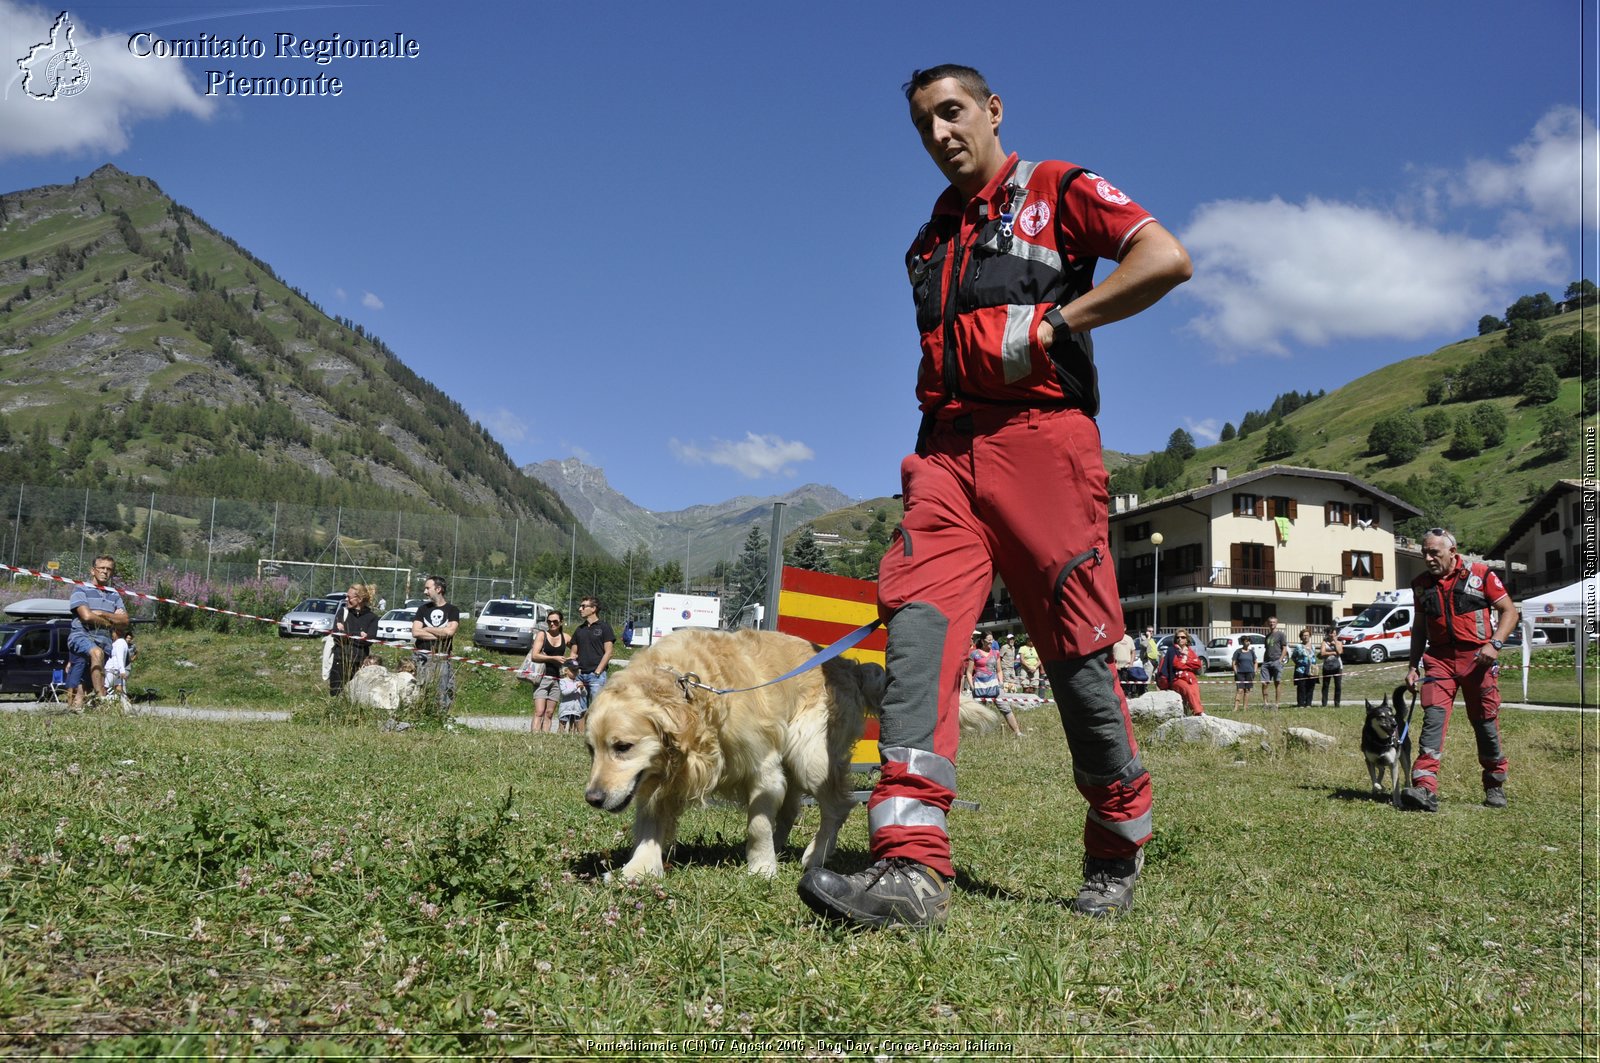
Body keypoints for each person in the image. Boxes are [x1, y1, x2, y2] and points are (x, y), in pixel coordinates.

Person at [797, 64, 1192, 930]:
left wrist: (1060, 322)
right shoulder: (926, 244)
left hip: (1044, 449)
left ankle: (1117, 840)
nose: (940, 134)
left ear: (991, 110)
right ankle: (909, 867)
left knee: (1079, 660)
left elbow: (1166, 259)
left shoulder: (1058, 189)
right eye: (924, 125)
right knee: (918, 636)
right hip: (943, 460)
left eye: (952, 112)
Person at [1398, 528, 1517, 812]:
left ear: (1453, 552)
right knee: (1433, 720)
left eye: (1434, 553)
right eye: (1424, 553)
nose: (1427, 558)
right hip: (1438, 660)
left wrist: (1495, 644)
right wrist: (1413, 666)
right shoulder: (1421, 585)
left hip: (1478, 660)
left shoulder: (1481, 575)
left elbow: (1510, 611)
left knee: (1485, 722)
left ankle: (1494, 783)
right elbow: (1419, 628)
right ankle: (1424, 787)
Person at [68, 555, 129, 706]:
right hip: (82, 635)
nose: (105, 572)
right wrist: (110, 622)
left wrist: (102, 614)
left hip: (105, 640)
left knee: (86, 683)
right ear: (92, 570)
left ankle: (82, 706)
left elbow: (125, 621)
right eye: (101, 568)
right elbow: (86, 616)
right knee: (96, 653)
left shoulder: (114, 595)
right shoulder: (80, 589)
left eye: (109, 569)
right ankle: (102, 698)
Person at [410, 575, 461, 716]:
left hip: (442, 658)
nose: (425, 592)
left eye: (428, 588)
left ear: (438, 589)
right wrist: (440, 634)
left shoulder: (452, 610)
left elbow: (450, 632)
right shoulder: (422, 609)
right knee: (420, 687)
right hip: (421, 656)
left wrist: (427, 629)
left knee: (443, 690)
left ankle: (440, 717)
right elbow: (415, 631)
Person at [520, 609, 571, 733]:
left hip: (558, 679)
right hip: (542, 677)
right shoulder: (542, 635)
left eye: (555, 621)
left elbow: (577, 650)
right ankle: (535, 736)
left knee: (549, 713)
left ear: (561, 622)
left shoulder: (566, 637)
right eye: (549, 622)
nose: (552, 624)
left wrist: (570, 660)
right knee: (539, 711)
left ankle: (545, 737)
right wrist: (553, 658)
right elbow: (535, 655)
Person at [329, 584, 380, 697]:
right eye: (346, 597)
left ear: (360, 599)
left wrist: (346, 632)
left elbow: (369, 640)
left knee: (356, 695)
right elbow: (337, 635)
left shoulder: (372, 618)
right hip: (340, 659)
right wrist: (359, 635)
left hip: (359, 662)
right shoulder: (343, 612)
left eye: (349, 597)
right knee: (336, 693)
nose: (346, 600)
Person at [573, 596, 615, 709]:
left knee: (596, 709)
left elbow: (609, 652)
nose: (579, 609)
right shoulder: (579, 629)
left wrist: (597, 672)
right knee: (580, 709)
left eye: (583, 606)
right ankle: (580, 728)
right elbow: (573, 654)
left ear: (593, 609)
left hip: (597, 676)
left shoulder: (604, 627)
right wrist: (571, 670)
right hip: (580, 675)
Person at [1159, 629, 1205, 717]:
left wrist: (1185, 661)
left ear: (1187, 639)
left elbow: (1198, 664)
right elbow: (1177, 665)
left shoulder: (1190, 651)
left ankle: (1198, 712)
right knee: (1187, 690)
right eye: (1178, 637)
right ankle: (1198, 712)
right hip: (1177, 678)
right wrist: (1187, 660)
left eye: (1183, 637)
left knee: (1195, 691)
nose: (1180, 639)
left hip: (1190, 678)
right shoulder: (1172, 650)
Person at [1259, 616, 1288, 709]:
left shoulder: (1281, 634)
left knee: (1277, 682)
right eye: (1270, 622)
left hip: (1276, 661)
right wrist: (1263, 662)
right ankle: (1265, 703)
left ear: (1276, 623)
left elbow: (1284, 649)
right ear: (1268, 623)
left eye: (1274, 622)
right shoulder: (1267, 636)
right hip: (1266, 662)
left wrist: (1280, 660)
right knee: (1264, 683)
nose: (1272, 624)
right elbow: (1266, 649)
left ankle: (1276, 704)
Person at [555, 660, 586, 733]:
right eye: (573, 670)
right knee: (562, 724)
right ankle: (560, 735)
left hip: (576, 709)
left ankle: (572, 735)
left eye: (576, 671)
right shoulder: (563, 681)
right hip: (566, 708)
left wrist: (582, 688)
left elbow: (584, 694)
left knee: (573, 727)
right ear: (566, 670)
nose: (575, 672)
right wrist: (575, 687)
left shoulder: (577, 682)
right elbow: (564, 692)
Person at [1291, 628, 1316, 707]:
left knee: (1310, 686)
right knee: (1301, 687)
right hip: (1301, 670)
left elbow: (1314, 657)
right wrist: (1298, 663)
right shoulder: (1298, 646)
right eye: (1304, 635)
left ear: (1310, 636)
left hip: (1311, 670)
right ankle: (1301, 704)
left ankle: (1308, 703)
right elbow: (1293, 657)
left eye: (1307, 635)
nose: (1305, 637)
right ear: (1301, 637)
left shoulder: (1313, 647)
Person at [104, 624, 131, 700]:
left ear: (116, 632)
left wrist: (122, 670)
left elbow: (120, 657)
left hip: (112, 669)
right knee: (119, 690)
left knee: (104, 688)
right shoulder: (123, 643)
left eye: (112, 633)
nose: (111, 635)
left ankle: (101, 705)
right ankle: (124, 705)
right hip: (117, 670)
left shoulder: (119, 643)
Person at [1319, 628, 1344, 707]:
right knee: (1326, 685)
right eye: (1331, 633)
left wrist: (1335, 643)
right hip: (1327, 666)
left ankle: (1337, 703)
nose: (1332, 635)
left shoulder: (1339, 642)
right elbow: (1322, 653)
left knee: (1338, 685)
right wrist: (1333, 652)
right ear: (1328, 634)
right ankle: (1324, 703)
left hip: (1338, 666)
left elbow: (1339, 652)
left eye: (1334, 633)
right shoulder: (1324, 642)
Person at [1231, 639, 1257, 713]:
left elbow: (1255, 662)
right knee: (1240, 690)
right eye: (1246, 641)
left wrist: (1254, 671)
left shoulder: (1252, 652)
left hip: (1250, 673)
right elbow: (1233, 662)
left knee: (1247, 690)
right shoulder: (1238, 652)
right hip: (1240, 673)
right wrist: (1236, 671)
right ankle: (1236, 708)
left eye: (1249, 641)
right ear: (1242, 642)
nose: (1248, 642)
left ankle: (1245, 708)